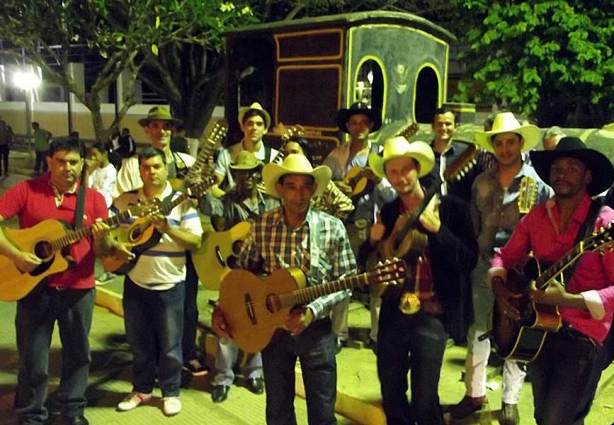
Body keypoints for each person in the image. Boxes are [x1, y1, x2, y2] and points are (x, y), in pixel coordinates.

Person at [212, 153, 356, 424]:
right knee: (277, 412)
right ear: (280, 189)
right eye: (292, 186)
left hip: (317, 331)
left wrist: (313, 310)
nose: (299, 195)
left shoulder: (331, 227)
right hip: (273, 332)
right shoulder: (263, 225)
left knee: (323, 413)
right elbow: (240, 275)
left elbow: (347, 279)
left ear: (314, 189)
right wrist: (222, 309)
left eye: (306, 187)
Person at [0, 137, 125, 425]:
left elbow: (101, 251)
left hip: (78, 290)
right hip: (33, 288)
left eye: (73, 162)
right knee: (33, 358)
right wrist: (17, 255)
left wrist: (104, 237)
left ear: (83, 164)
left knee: (78, 355)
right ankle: (31, 413)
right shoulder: (26, 190)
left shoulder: (93, 200)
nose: (67, 168)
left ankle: (72, 410)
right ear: (49, 161)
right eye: (60, 161)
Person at [490, 136, 614, 425]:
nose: (562, 173)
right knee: (545, 416)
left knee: (555, 419)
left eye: (572, 168)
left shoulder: (603, 222)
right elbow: (504, 257)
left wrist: (568, 300)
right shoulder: (536, 217)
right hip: (539, 329)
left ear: (587, 176)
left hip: (583, 336)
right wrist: (499, 289)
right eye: (557, 167)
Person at [357, 137, 478, 424]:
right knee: (392, 394)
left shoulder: (452, 209)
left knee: (425, 402)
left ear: (418, 169)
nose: (400, 178)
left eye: (405, 169)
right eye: (393, 172)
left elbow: (469, 259)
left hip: (432, 316)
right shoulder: (388, 212)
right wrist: (370, 242)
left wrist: (439, 231)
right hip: (393, 313)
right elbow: (370, 263)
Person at [449, 111, 551, 425]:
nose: (505, 148)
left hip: (520, 273)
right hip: (483, 269)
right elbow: (474, 225)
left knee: (515, 336)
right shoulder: (480, 182)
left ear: (520, 144)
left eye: (511, 142)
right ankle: (474, 394)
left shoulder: (537, 185)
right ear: (493, 145)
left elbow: (543, 230)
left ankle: (509, 400)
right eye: (500, 143)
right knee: (478, 331)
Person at [112, 106, 206, 378]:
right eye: (155, 126)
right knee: (146, 308)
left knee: (186, 305)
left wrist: (199, 197)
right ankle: (150, 363)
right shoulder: (133, 165)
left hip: (180, 239)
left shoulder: (186, 162)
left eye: (166, 126)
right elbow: (123, 204)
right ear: (147, 129)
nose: (161, 131)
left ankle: (183, 356)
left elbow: (201, 199)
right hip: (142, 248)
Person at [199, 151, 279, 403]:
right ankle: (223, 377)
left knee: (262, 323)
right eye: (242, 172)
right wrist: (202, 188)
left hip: (263, 271)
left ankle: (254, 372)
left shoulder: (270, 202)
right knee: (229, 324)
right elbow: (210, 206)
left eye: (252, 171)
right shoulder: (229, 199)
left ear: (259, 173)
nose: (248, 177)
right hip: (234, 271)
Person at [324, 102, 396, 353]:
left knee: (379, 280)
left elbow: (393, 196)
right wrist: (338, 188)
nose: (359, 127)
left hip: (375, 227)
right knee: (342, 280)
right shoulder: (336, 156)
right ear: (347, 126)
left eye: (363, 122)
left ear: (371, 126)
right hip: (345, 226)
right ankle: (338, 334)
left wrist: (379, 181)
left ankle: (377, 336)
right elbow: (322, 185)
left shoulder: (380, 156)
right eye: (354, 123)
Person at [212, 102, 278, 196]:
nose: (254, 128)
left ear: (265, 129)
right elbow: (213, 186)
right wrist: (229, 203)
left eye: (259, 124)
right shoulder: (227, 154)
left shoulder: (274, 156)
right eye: (250, 124)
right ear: (242, 127)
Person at [86, 142, 117, 209]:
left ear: (104, 154)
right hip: (92, 201)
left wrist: (91, 191)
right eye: (91, 155)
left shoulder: (111, 171)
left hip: (104, 204)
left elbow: (103, 191)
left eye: (95, 154)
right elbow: (87, 186)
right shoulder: (95, 168)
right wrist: (87, 171)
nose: (92, 157)